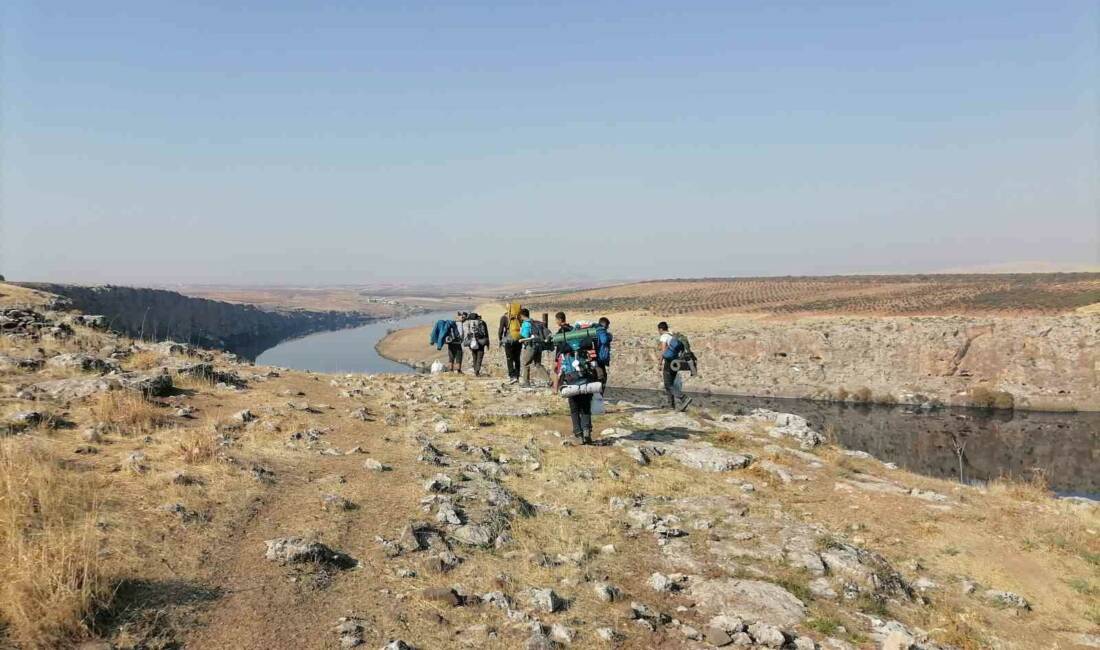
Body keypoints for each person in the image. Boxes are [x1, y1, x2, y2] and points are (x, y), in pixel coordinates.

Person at [658, 321, 693, 411]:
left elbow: (663, 350)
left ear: (661, 329)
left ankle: (683, 398)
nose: (658, 332)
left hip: (669, 362)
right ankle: (671, 406)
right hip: (676, 361)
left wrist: (660, 362)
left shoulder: (664, 336)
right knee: (671, 384)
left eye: (659, 330)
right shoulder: (672, 336)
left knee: (667, 384)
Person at [518, 308, 552, 386]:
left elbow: (525, 336)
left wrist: (520, 336)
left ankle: (526, 382)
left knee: (526, 363)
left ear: (522, 315)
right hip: (538, 345)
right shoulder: (534, 322)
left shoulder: (526, 323)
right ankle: (549, 380)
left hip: (531, 345)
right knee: (538, 364)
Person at [498, 309, 522, 384]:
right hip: (518, 340)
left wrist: (500, 339)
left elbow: (501, 330)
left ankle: (512, 376)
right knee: (517, 359)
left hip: (508, 340)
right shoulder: (518, 317)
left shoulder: (504, 318)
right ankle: (517, 376)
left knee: (509, 358)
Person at [462, 312, 490, 376]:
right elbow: (486, 333)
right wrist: (487, 343)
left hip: (472, 342)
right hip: (481, 341)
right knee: (480, 356)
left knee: (474, 355)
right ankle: (477, 371)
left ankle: (475, 370)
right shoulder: (482, 322)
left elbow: (466, 334)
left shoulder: (468, 323)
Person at [594, 317, 612, 389]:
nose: (608, 327)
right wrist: (609, 336)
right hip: (599, 358)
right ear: (605, 325)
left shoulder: (595, 330)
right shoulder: (601, 331)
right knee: (602, 376)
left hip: (595, 357)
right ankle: (599, 394)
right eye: (607, 326)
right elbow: (604, 340)